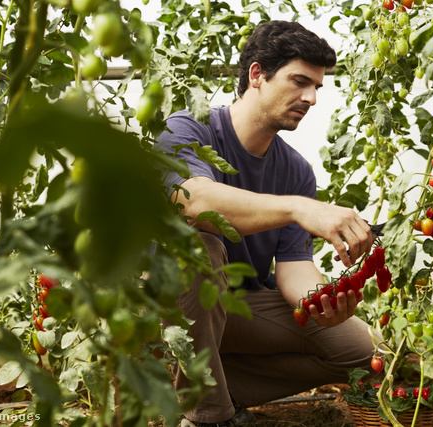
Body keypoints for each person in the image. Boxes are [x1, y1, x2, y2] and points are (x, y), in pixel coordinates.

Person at [155, 20, 382, 427]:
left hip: (234, 310)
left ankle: (203, 388)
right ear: (257, 74)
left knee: (362, 348)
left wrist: (324, 301)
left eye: (316, 87)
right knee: (196, 249)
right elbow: (192, 202)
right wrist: (299, 209)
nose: (310, 97)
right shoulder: (188, 128)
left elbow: (293, 269)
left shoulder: (296, 170)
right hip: (160, 307)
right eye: (299, 81)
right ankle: (208, 416)